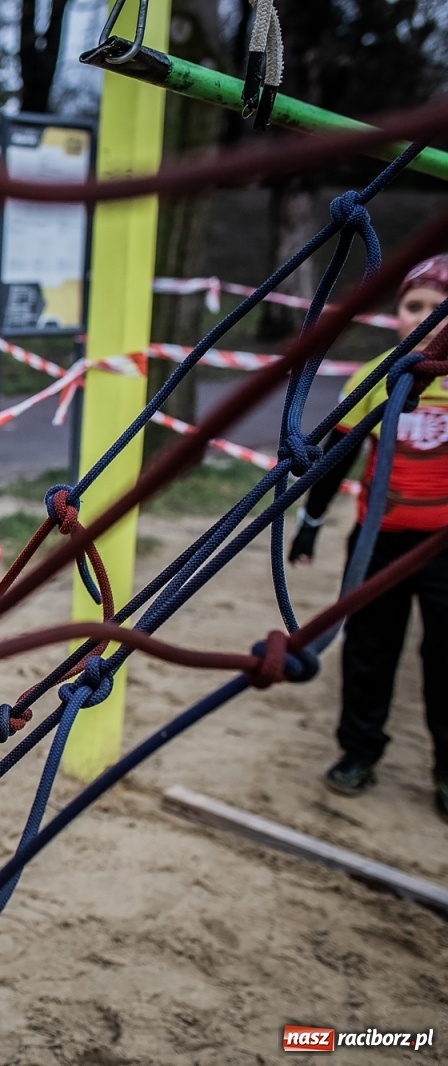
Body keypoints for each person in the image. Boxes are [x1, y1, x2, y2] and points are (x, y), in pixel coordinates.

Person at [288, 253, 448, 823]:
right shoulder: (382, 374)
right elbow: (340, 454)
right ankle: (358, 753)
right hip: (380, 537)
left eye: (440, 308)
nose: (426, 318)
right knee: (368, 649)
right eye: (414, 306)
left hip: (443, 547)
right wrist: (309, 523)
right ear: (398, 313)